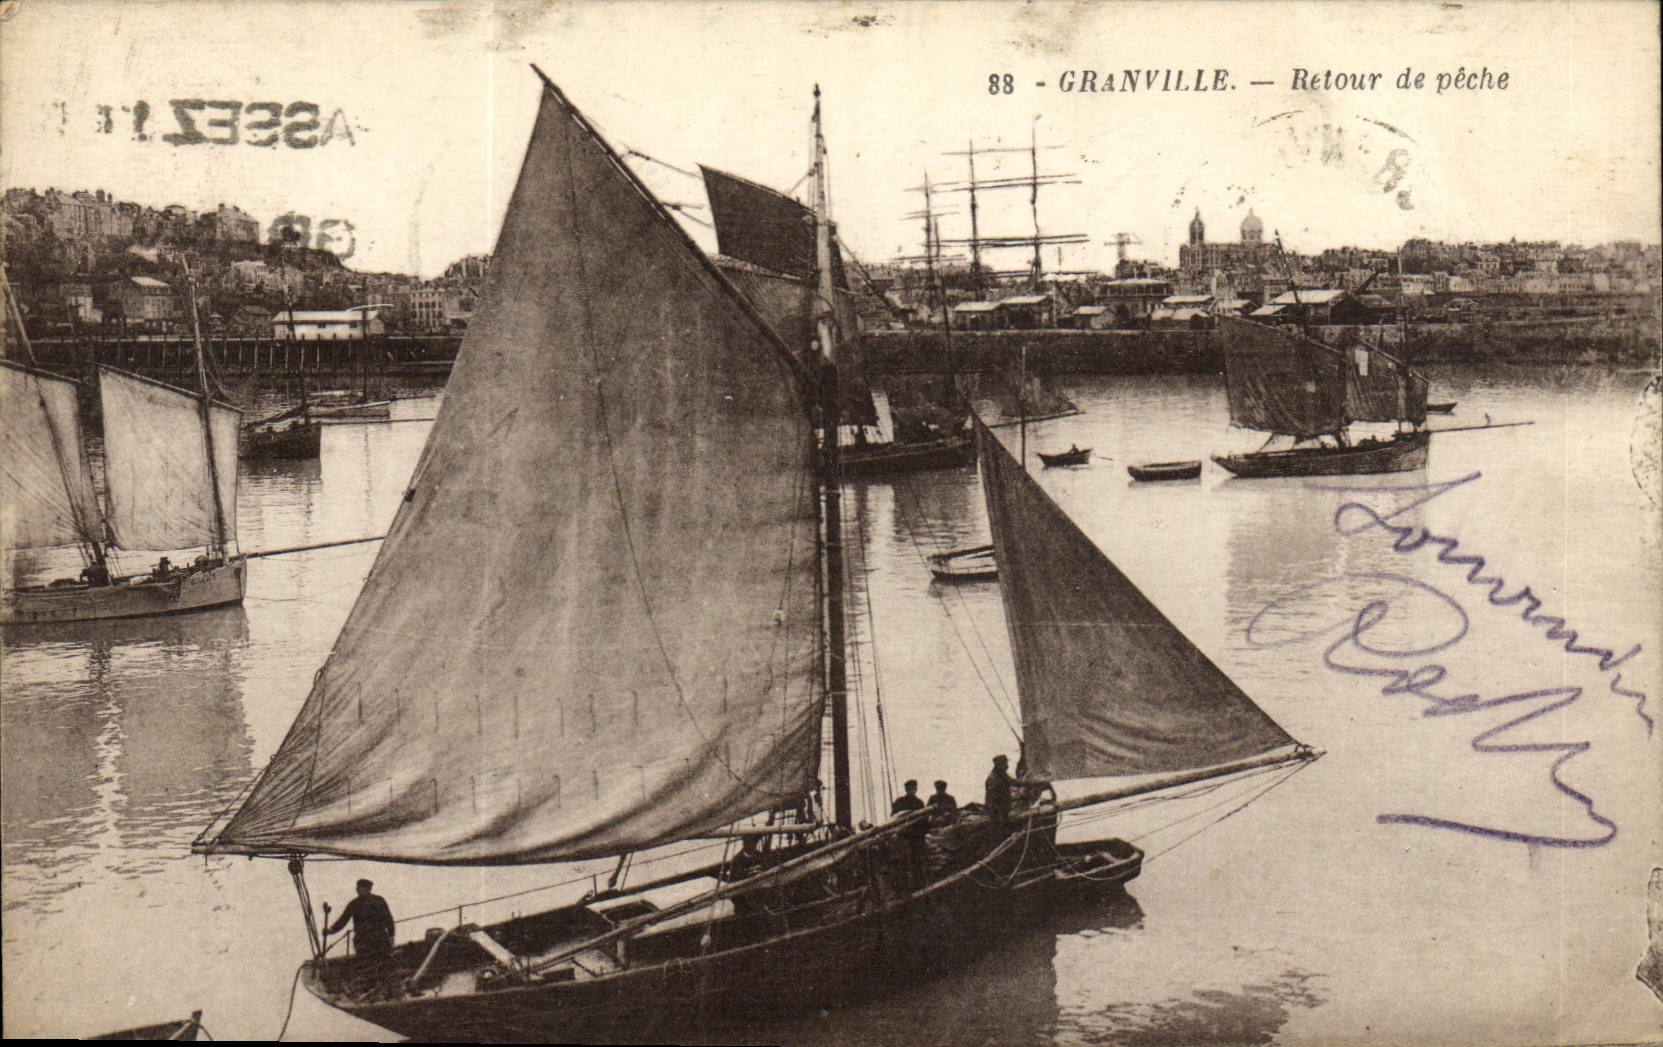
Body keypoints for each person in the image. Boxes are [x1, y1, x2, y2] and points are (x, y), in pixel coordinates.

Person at [326, 878, 395, 961]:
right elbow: (343, 920)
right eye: (359, 888)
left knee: (383, 963)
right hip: (363, 942)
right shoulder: (354, 904)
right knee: (365, 966)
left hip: (380, 940)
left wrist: (391, 935)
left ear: (369, 889)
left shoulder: (379, 901)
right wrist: (331, 930)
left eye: (363, 888)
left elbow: (388, 918)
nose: (360, 891)